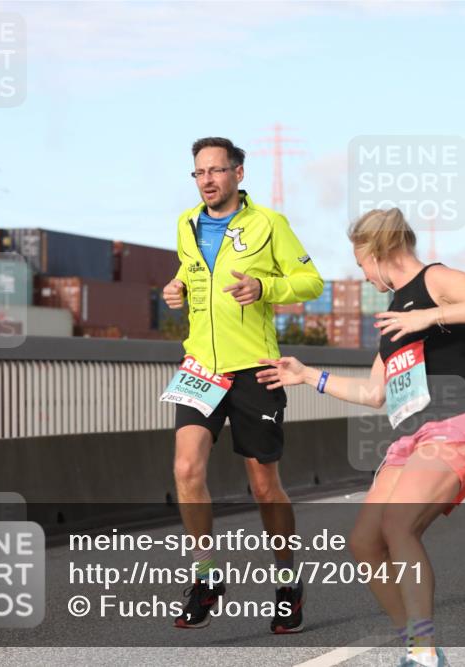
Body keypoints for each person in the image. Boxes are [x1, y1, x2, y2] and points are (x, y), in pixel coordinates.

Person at [256, 208, 465, 667]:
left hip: (458, 420)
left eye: (361, 264)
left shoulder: (435, 280)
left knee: (399, 525)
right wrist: (308, 376)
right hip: (411, 436)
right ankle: (419, 645)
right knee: (365, 542)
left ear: (378, 252)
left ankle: (423, 654)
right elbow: (374, 393)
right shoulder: (393, 317)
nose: (363, 275)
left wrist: (429, 317)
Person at [161, 137, 323, 632]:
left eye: (216, 170)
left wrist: (264, 287)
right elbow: (191, 272)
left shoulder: (269, 224)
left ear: (238, 173)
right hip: (201, 367)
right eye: (199, 172)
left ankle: (287, 583)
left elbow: (311, 282)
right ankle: (206, 576)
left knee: (264, 486)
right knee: (186, 468)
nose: (207, 180)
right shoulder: (186, 224)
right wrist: (176, 287)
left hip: (255, 370)